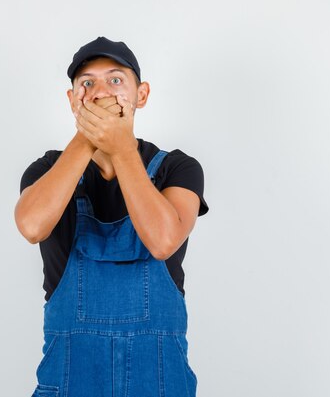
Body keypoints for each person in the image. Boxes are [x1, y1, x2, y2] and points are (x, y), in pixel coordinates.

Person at [15, 37, 209, 397]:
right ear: (73, 100)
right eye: (87, 84)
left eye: (116, 80)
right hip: (71, 384)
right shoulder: (47, 170)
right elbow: (31, 226)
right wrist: (87, 138)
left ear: (142, 95)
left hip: (160, 384)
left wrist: (120, 147)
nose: (101, 93)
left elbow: (163, 241)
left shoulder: (178, 168)